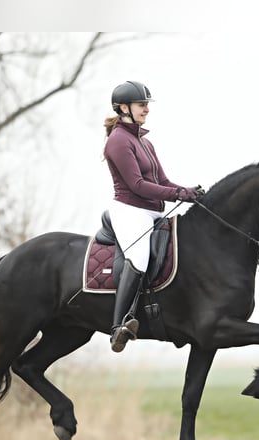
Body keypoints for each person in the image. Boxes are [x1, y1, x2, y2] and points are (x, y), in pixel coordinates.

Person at [103, 80, 204, 352]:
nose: (147, 109)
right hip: (130, 210)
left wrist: (186, 190)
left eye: (147, 104)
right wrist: (178, 195)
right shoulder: (118, 141)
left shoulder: (143, 141)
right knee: (139, 257)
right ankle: (118, 326)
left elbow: (163, 179)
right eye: (142, 104)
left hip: (152, 209)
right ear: (124, 108)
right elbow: (136, 185)